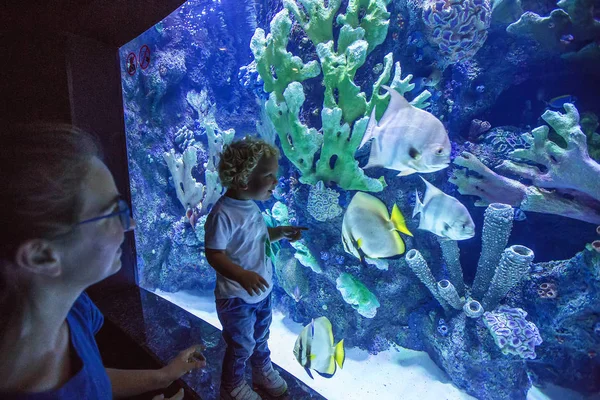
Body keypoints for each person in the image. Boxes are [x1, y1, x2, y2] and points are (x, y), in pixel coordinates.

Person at [0, 123, 206, 399]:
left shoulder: (71, 309)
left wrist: (163, 377)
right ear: (42, 256)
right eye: (111, 213)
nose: (130, 223)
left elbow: (91, 379)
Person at [204, 137, 307, 400]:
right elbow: (214, 254)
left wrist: (279, 233)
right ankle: (232, 384)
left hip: (261, 293)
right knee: (241, 344)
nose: (275, 181)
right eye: (269, 175)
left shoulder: (250, 206)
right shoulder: (223, 214)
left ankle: (261, 370)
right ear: (243, 179)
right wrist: (241, 275)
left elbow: (257, 237)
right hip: (236, 298)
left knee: (261, 337)